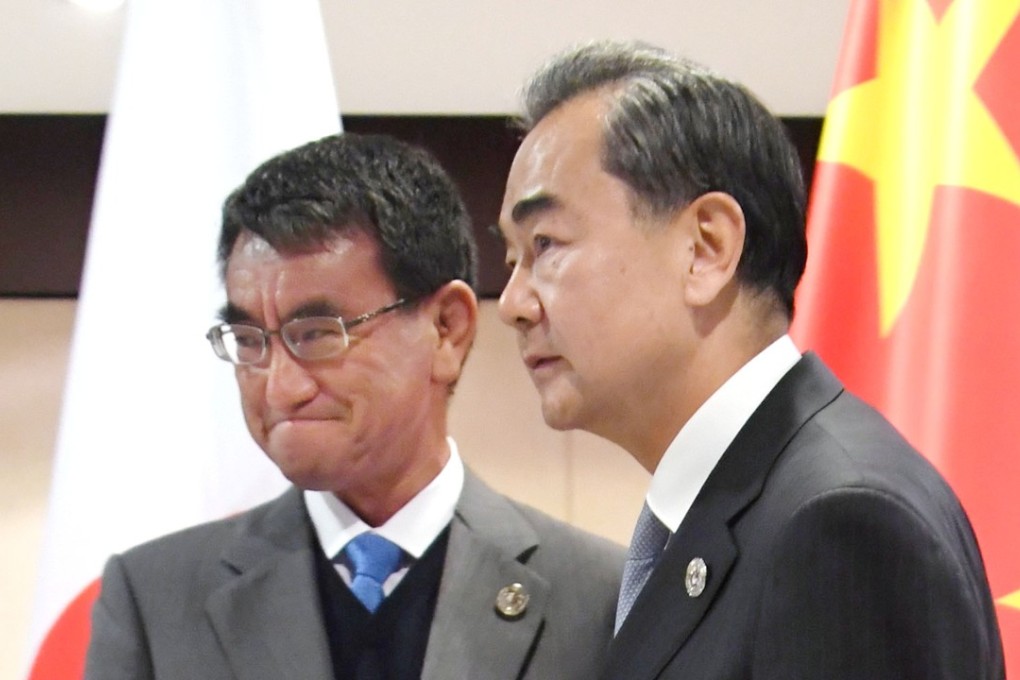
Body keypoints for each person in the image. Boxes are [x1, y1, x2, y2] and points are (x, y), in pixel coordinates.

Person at [496, 40, 1005, 679]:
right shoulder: (744, 501)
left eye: (545, 244)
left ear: (707, 248)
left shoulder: (838, 522)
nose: (513, 303)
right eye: (512, 257)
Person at [84, 132, 624, 679]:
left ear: (446, 329)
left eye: (317, 333)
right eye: (249, 340)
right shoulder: (155, 603)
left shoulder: (600, 597)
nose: (278, 388)